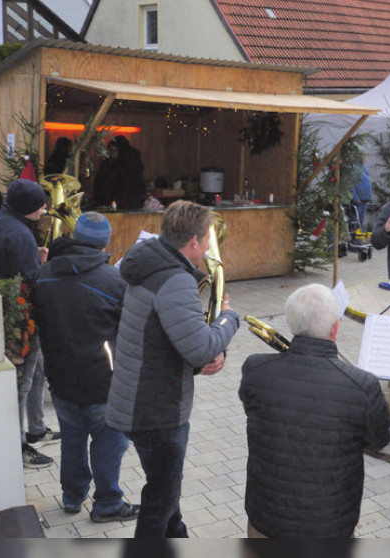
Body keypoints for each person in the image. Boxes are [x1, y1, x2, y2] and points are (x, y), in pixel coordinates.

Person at [104, 200, 240, 537]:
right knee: (161, 499)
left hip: (142, 397)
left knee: (166, 489)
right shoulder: (174, 280)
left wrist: (194, 366)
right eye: (207, 239)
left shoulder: (149, 263)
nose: (210, 247)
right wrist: (228, 318)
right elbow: (202, 347)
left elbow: (154, 340)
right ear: (193, 242)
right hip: (156, 410)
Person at [238, 284, 390, 538]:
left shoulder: (255, 370)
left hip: (266, 521)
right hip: (330, 526)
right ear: (336, 327)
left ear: (289, 323)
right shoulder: (362, 385)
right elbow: (379, 439)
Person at [33, 212, 139, 523]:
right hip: (102, 382)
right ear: (104, 243)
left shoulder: (45, 273)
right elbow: (130, 332)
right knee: (110, 443)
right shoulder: (114, 281)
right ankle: (107, 503)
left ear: (76, 237)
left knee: (72, 439)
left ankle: (72, 496)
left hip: (61, 377)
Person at [0, 178, 56, 469]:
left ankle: (36, 429)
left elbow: (5, 265)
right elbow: (32, 281)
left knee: (35, 374)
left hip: (5, 312)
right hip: (20, 319)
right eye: (41, 205)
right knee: (21, 384)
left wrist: (34, 257)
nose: (45, 209)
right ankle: (19, 445)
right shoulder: (20, 233)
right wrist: (43, 267)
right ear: (26, 208)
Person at [94, 135, 147, 210]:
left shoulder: (131, 163)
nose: (111, 153)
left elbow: (133, 186)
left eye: (114, 150)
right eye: (110, 150)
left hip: (129, 205)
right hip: (109, 204)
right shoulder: (107, 163)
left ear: (121, 151)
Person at [352, 158, 373, 233]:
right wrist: (356, 197)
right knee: (356, 221)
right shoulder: (353, 168)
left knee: (361, 221)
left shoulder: (363, 167)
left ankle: (357, 237)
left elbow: (367, 180)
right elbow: (352, 185)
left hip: (365, 199)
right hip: (359, 200)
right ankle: (353, 239)